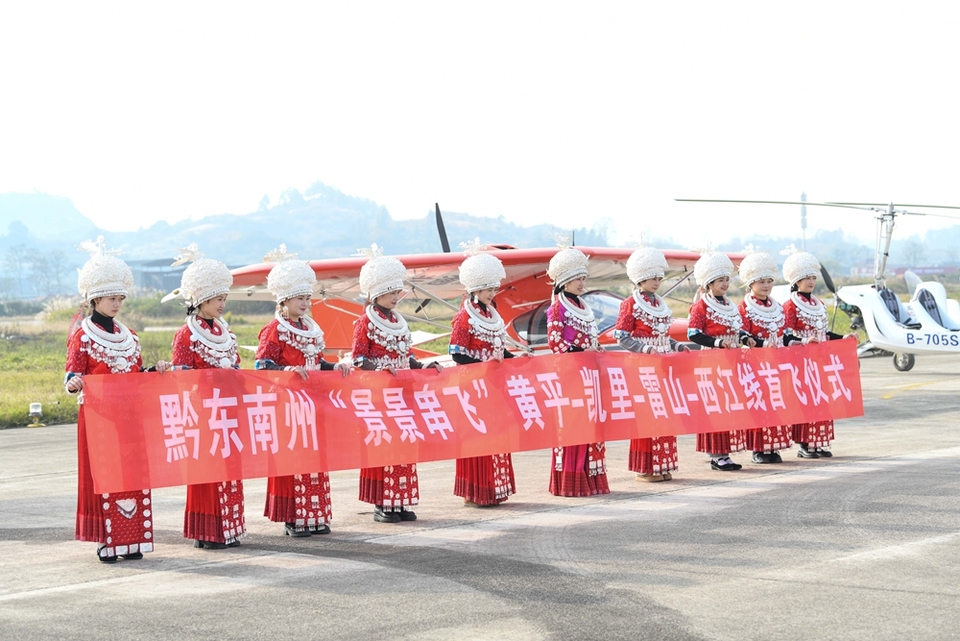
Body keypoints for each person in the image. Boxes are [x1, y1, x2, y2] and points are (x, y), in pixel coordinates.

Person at [65, 237, 170, 563]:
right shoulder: (83, 335)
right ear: (95, 299)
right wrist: (75, 385)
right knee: (107, 475)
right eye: (112, 298)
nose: (117, 304)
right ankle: (107, 540)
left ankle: (133, 537)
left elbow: (135, 373)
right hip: (100, 420)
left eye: (120, 298)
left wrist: (156, 370)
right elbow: (71, 375)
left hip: (130, 418)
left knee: (133, 474)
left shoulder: (130, 336)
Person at [255, 245, 353, 537]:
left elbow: (316, 362)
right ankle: (293, 518)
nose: (306, 303)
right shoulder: (273, 329)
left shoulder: (311, 328)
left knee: (315, 460)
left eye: (307, 297)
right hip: (288, 407)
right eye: (300, 298)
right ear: (284, 299)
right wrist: (287, 372)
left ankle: (315, 515)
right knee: (294, 459)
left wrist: (335, 367)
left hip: (313, 405)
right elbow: (263, 365)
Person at [352, 245, 442, 523]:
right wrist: (381, 368)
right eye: (391, 293)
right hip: (380, 397)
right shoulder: (364, 322)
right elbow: (358, 359)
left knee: (404, 445)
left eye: (396, 292)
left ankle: (401, 501)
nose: (395, 297)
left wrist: (423, 366)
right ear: (377, 293)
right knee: (385, 446)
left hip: (403, 395)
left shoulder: (397, 321)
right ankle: (383, 504)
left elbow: (407, 357)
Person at [165, 244, 245, 549]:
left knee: (229, 471)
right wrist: (214, 379)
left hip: (226, 411)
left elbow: (236, 366)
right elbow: (181, 377)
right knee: (207, 473)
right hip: (202, 414)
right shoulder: (185, 335)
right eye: (218, 299)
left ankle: (230, 528)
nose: (223, 304)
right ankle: (208, 531)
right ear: (201, 299)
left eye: (224, 298)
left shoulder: (226, 332)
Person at [449, 240, 520, 506]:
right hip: (475, 389)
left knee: (498, 436)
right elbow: (456, 352)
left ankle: (495, 489)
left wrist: (516, 360)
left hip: (494, 387)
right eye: (489, 288)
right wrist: (482, 367)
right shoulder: (464, 318)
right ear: (476, 288)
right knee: (479, 438)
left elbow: (500, 349)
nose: (493, 293)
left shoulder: (492, 314)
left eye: (494, 288)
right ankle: (478, 491)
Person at [614, 245, 686, 482]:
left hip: (664, 366)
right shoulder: (630, 304)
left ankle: (663, 464)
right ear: (641, 278)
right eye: (652, 278)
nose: (657, 282)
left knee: (666, 414)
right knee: (648, 415)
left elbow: (664, 334)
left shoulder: (659, 303)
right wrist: (646, 349)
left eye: (659, 278)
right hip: (643, 367)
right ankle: (645, 467)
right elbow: (622, 336)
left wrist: (676, 346)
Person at [545, 243, 609, 497]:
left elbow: (588, 337)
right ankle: (572, 479)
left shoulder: (583, 305)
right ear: (565, 281)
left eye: (583, 278)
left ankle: (590, 477)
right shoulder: (558, 307)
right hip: (570, 376)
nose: (582, 283)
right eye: (577, 279)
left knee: (591, 424)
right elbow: (555, 341)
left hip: (588, 375)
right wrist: (578, 353)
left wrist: (595, 349)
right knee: (573, 425)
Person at [781, 247, 854, 458]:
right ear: (796, 280)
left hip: (819, 361)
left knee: (822, 400)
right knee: (806, 401)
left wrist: (843, 338)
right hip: (800, 361)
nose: (811, 281)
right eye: (806, 278)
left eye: (813, 277)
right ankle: (805, 444)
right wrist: (803, 341)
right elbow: (785, 334)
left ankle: (819, 441)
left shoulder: (819, 304)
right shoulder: (789, 306)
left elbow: (824, 332)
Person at [687, 252, 755, 471]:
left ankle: (725, 453)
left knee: (729, 407)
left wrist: (746, 338)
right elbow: (693, 334)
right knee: (715, 407)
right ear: (709, 283)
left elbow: (738, 329)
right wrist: (717, 344)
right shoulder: (700, 306)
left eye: (727, 279)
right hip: (712, 362)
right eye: (720, 280)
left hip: (732, 362)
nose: (725, 284)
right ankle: (716, 455)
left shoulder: (730, 305)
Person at [737, 250, 799, 464]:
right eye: (761, 281)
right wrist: (761, 344)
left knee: (776, 405)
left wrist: (798, 342)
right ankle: (758, 449)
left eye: (769, 281)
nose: (766, 286)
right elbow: (742, 334)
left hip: (776, 364)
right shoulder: (743, 308)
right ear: (751, 283)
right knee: (759, 405)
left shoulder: (777, 307)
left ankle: (774, 446)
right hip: (756, 365)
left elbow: (786, 335)